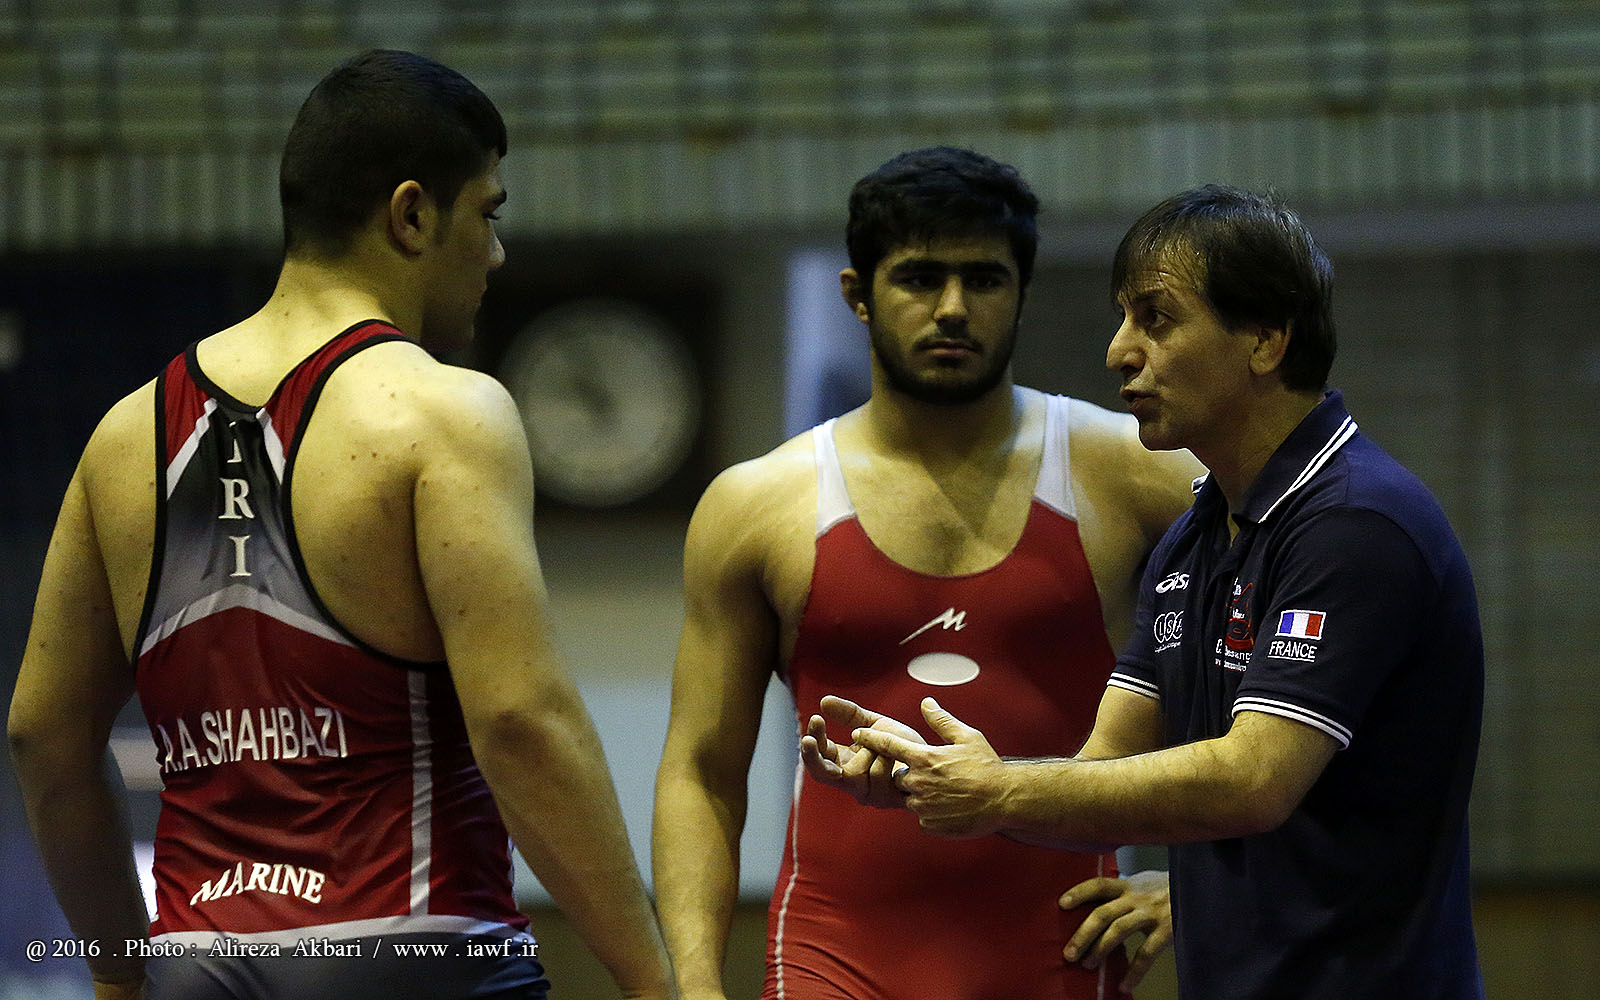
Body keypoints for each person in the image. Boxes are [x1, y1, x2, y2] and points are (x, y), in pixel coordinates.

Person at [7, 50, 674, 1000]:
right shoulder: (443, 411)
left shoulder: (124, 435)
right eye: (488, 215)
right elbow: (520, 723)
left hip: (199, 965)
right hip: (412, 952)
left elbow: (42, 738)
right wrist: (654, 983)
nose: (495, 254)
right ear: (411, 215)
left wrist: (121, 976)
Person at [815, 185, 1486, 999]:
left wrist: (999, 791)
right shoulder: (1194, 537)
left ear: (1266, 340)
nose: (1118, 352)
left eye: (1155, 319)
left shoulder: (1356, 522)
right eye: (1123, 319)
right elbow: (1106, 769)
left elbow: (1253, 780)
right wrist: (938, 777)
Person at [652, 146, 1202, 1000]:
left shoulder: (1136, 474)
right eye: (919, 278)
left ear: (1022, 291)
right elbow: (701, 770)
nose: (952, 308)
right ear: (858, 294)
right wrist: (693, 985)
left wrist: (1199, 885)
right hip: (832, 958)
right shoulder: (757, 504)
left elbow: (1287, 709)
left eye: (983, 280)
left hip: (1057, 954)